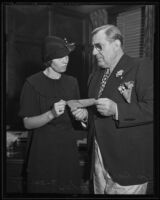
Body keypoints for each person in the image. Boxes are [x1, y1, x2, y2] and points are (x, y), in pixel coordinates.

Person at [71, 24, 153, 194]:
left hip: (128, 165)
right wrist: (86, 116)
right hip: (98, 162)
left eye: (98, 46)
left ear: (116, 44)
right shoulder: (94, 76)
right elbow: (97, 114)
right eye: (93, 47)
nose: (94, 53)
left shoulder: (141, 66)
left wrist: (117, 109)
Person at [19, 36, 82, 193]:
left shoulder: (72, 82)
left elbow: (76, 119)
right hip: (42, 152)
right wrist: (51, 114)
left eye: (67, 55)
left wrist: (83, 116)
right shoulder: (31, 83)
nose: (65, 60)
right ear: (48, 59)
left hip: (68, 152)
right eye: (60, 57)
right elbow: (27, 123)